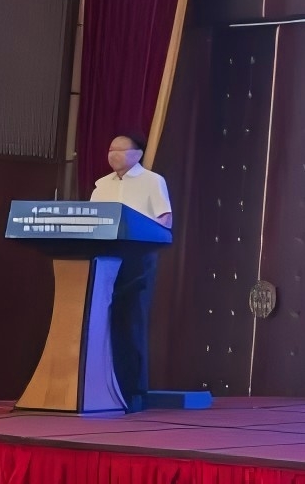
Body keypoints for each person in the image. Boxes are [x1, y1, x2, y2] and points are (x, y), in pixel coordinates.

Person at [90, 131, 172, 412]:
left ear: (137, 154)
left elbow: (164, 219)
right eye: (110, 150)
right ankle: (100, 387)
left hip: (138, 258)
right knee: (104, 321)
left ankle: (133, 391)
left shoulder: (152, 181)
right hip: (105, 257)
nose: (113, 155)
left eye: (120, 150)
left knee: (131, 320)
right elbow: (91, 221)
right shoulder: (101, 185)